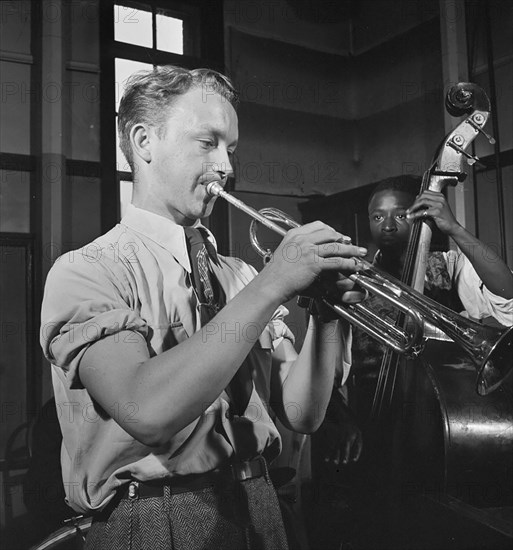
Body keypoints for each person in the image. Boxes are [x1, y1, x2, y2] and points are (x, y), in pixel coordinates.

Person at [39, 66, 368, 550]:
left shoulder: (241, 276)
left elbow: (302, 414)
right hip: (156, 514)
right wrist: (275, 283)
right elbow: (146, 410)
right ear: (144, 141)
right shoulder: (88, 269)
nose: (227, 166)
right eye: (208, 142)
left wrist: (328, 316)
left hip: (260, 501)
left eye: (230, 149)